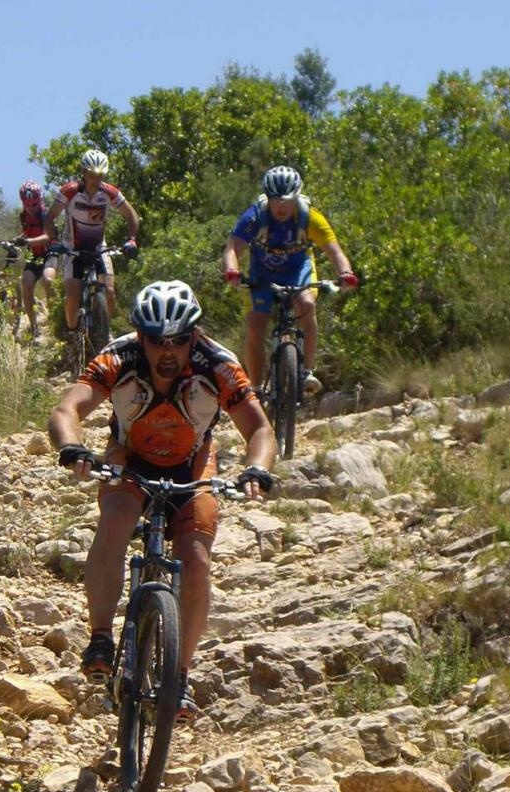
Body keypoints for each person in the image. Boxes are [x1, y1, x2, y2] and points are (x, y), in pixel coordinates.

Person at [48, 280, 277, 717]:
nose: (167, 352)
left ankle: (181, 675)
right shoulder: (120, 356)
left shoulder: (218, 364)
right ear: (140, 337)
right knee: (115, 520)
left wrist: (257, 468)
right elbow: (67, 409)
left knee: (195, 559)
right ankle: (100, 636)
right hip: (130, 456)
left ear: (195, 335)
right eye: (155, 341)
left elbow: (260, 429)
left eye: (178, 341)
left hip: (192, 463)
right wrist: (71, 446)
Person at [222, 165, 358, 397]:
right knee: (255, 324)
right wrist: (232, 271)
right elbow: (232, 247)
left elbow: (334, 251)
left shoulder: (310, 218)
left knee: (306, 305)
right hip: (262, 272)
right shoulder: (255, 216)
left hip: (298, 269)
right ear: (268, 197)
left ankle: (306, 371)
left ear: (297, 196)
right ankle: (255, 391)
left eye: (287, 199)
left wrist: (346, 273)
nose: (281, 205)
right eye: (276, 199)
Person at [43, 148, 140, 334]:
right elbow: (49, 217)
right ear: (84, 172)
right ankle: (71, 331)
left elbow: (132, 216)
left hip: (98, 248)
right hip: (73, 249)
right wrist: (54, 241)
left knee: (110, 292)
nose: (96, 180)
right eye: (92, 175)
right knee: (71, 300)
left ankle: (107, 333)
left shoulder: (109, 192)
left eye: (100, 175)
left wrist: (132, 240)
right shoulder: (70, 192)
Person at [17, 180, 55, 340]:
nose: (31, 208)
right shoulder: (23, 216)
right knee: (25, 282)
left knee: (48, 280)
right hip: (34, 256)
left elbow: (48, 236)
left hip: (50, 253)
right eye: (28, 205)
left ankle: (55, 321)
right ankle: (34, 328)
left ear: (39, 200)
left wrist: (28, 242)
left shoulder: (46, 215)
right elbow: (25, 233)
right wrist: (17, 239)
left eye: (34, 204)